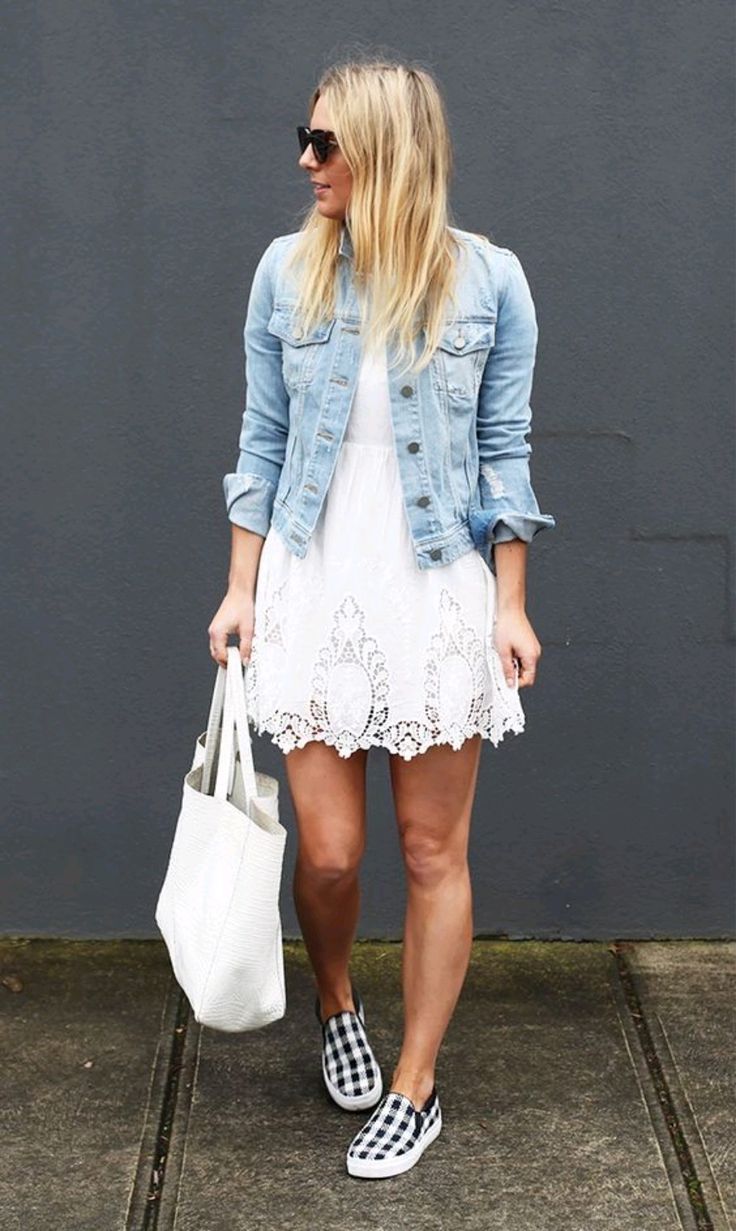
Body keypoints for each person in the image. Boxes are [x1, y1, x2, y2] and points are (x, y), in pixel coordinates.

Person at [208, 56, 556, 1180]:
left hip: (434, 592)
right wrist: (241, 589)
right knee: (332, 849)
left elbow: (505, 455)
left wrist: (509, 602)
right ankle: (337, 999)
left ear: (385, 152)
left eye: (325, 145)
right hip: (313, 588)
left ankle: (415, 1081)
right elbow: (260, 444)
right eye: (303, 141)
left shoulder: (489, 283)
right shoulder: (284, 272)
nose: (305, 163)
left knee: (429, 848)